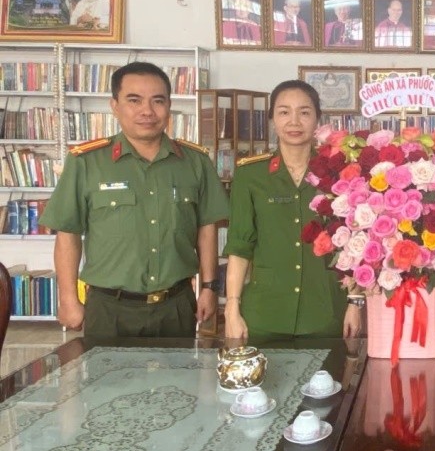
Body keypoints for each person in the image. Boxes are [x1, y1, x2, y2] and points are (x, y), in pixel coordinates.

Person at [39, 62, 229, 338]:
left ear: (169, 106)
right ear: (115, 106)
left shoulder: (195, 162)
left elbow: (206, 228)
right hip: (109, 308)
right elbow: (68, 233)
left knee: (179, 368)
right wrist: (68, 299)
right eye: (134, 100)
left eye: (158, 101)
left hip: (175, 305)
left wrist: (209, 288)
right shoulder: (86, 162)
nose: (147, 111)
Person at [223, 80, 361, 340]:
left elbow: (356, 245)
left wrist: (355, 303)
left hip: (326, 309)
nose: (294, 122)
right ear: (272, 119)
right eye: (284, 112)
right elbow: (240, 246)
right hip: (264, 312)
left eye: (304, 112)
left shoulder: (339, 172)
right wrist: (232, 308)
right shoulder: (251, 175)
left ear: (318, 119)